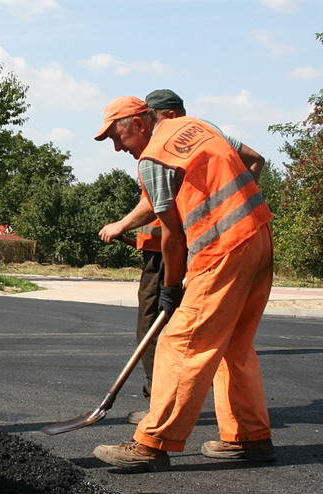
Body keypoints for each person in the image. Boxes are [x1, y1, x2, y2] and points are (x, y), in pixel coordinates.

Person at [91, 96, 275, 471]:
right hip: (258, 236)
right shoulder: (200, 126)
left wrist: (170, 289)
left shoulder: (154, 156)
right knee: (233, 346)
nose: (117, 146)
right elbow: (252, 158)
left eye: (117, 135)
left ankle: (152, 443)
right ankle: (249, 437)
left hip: (222, 247)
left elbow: (171, 236)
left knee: (181, 342)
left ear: (138, 124)